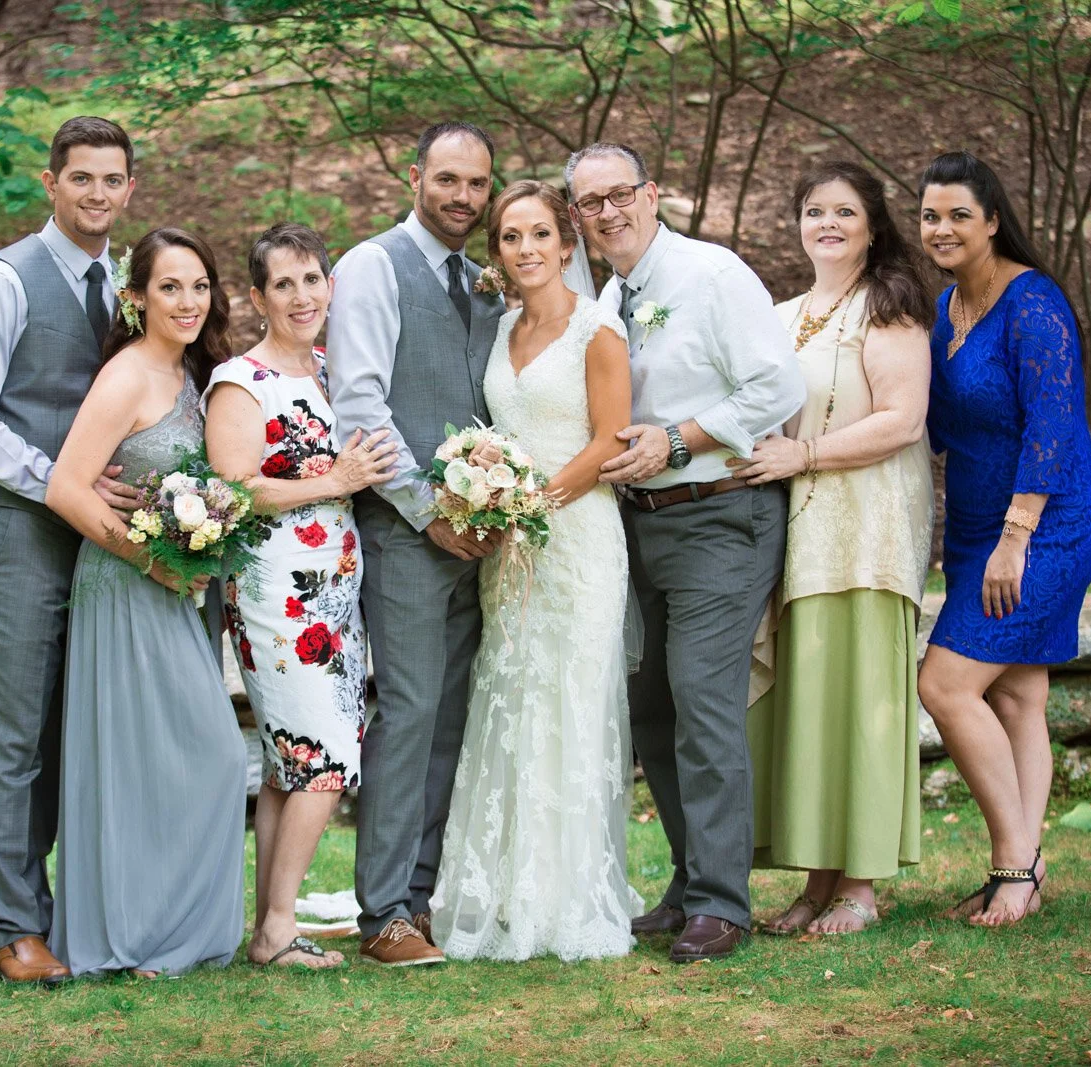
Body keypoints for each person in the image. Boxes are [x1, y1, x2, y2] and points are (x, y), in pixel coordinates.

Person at [568, 141, 804, 963]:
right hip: (639, 527)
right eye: (590, 202)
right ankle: (690, 876)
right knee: (650, 709)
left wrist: (679, 439)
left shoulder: (714, 274)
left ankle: (721, 901)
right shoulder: (605, 295)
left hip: (721, 514)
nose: (608, 211)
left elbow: (779, 384)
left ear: (652, 193)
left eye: (619, 194)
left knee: (702, 698)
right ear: (578, 216)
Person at [0, 116, 141, 985]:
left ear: (131, 190)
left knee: (72, 733)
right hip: (15, 535)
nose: (97, 193)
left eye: (113, 179)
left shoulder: (124, 285)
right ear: (48, 183)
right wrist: (62, 479)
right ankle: (11, 925)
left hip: (98, 541)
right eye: (81, 178)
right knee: (14, 734)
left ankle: (64, 916)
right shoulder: (0, 284)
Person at [430, 181, 642, 960]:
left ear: (565, 242)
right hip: (510, 548)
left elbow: (612, 440)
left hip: (576, 539)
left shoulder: (598, 329)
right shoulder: (501, 327)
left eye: (538, 234)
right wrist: (487, 489)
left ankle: (568, 893)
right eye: (510, 237)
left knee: (570, 703)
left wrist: (532, 504)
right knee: (512, 694)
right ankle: (509, 887)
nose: (524, 249)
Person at [730, 161, 935, 936]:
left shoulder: (889, 308)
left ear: (872, 225)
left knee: (860, 702)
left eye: (844, 212)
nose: (828, 224)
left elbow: (902, 420)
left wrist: (802, 457)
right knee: (813, 700)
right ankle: (818, 882)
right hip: (801, 531)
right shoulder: (785, 314)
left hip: (868, 525)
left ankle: (861, 888)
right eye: (814, 210)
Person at [915, 151, 1091, 927]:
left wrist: (1016, 535)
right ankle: (1026, 868)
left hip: (1046, 522)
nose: (943, 228)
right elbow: (932, 423)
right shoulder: (945, 308)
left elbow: (1054, 422)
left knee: (946, 683)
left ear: (993, 220)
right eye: (931, 214)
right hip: (973, 525)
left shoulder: (1032, 303)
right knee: (1021, 694)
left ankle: (1013, 862)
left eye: (960, 214)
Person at [45, 228, 246, 977]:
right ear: (136, 297)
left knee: (191, 761)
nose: (189, 301)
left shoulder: (196, 372)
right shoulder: (127, 376)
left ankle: (171, 934)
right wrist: (150, 561)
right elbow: (65, 485)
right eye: (170, 287)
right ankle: (130, 939)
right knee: (174, 760)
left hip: (172, 589)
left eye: (199, 285)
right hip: (125, 588)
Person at [328, 121, 506, 966]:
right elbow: (359, 401)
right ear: (414, 177)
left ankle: (420, 896)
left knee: (450, 719)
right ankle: (383, 912)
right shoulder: (372, 266)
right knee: (407, 712)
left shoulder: (483, 278)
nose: (463, 197)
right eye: (447, 180)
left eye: (477, 183)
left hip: (476, 538)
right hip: (405, 533)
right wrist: (425, 508)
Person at [204, 224, 397, 969]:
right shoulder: (239, 381)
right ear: (257, 297)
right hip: (274, 593)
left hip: (338, 591)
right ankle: (278, 926)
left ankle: (271, 924)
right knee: (323, 756)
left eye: (312, 278)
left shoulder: (333, 369)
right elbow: (236, 488)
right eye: (283, 283)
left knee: (292, 761)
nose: (302, 294)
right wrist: (334, 482)